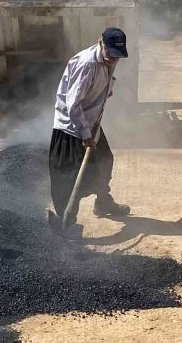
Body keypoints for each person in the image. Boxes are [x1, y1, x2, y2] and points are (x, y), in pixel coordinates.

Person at [49, 28, 131, 234]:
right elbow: (73, 104)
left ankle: (103, 202)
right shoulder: (87, 64)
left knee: (105, 161)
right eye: (110, 54)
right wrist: (85, 135)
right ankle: (65, 220)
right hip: (71, 127)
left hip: (91, 122)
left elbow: (101, 88)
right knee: (69, 175)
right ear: (100, 43)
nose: (113, 60)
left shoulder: (109, 59)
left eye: (117, 56)